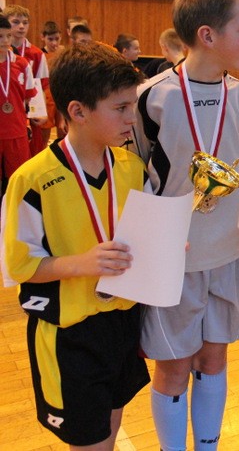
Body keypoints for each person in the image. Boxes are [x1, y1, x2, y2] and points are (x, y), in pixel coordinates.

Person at [133, 0, 239, 451]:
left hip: (229, 252)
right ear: (207, 35)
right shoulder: (152, 97)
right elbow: (134, 176)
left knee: (214, 359)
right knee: (173, 367)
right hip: (172, 260)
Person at [0, 42, 149, 449]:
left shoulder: (132, 168)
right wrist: (82, 263)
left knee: (111, 425)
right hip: (71, 336)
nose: (131, 118)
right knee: (88, 441)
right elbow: (20, 267)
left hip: (122, 323)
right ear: (78, 111)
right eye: (120, 108)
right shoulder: (32, 180)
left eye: (133, 106)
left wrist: (164, 247)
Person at [5, 4, 51, 155]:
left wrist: (41, 111)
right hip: (6, 112)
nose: (21, 26)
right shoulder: (2, 52)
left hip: (30, 112)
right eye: (16, 22)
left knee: (30, 154)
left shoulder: (36, 54)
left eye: (25, 22)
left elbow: (41, 86)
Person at [0, 15, 36, 200]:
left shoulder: (21, 64)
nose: (5, 41)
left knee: (18, 181)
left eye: (8, 36)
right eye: (0, 36)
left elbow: (28, 97)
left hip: (17, 132)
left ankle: (14, 213)